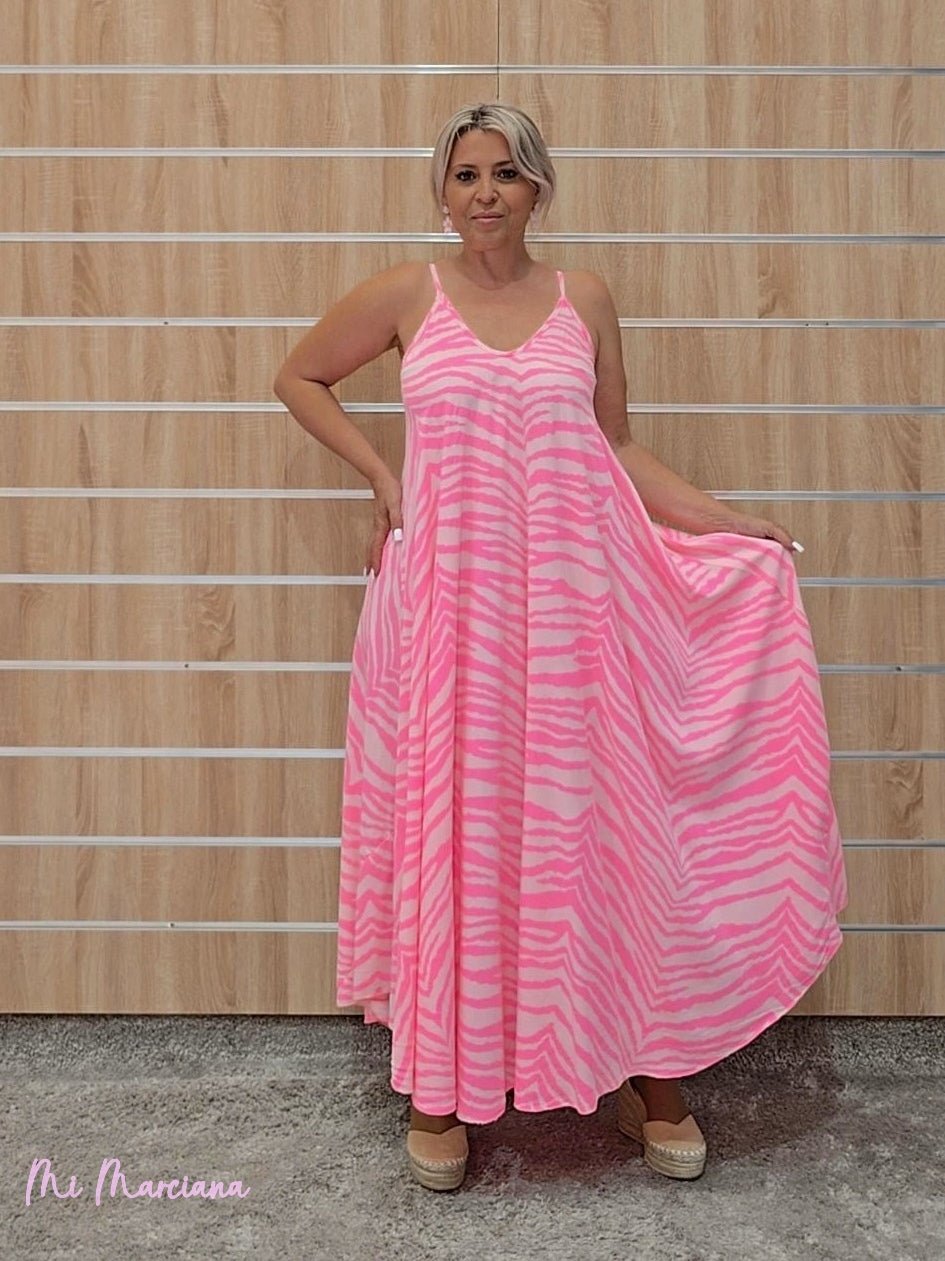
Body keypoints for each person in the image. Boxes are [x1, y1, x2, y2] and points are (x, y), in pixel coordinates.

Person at [273, 103, 848, 1191]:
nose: (484, 193)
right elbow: (299, 376)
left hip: (579, 613)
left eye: (505, 173)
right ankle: (441, 1085)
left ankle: (649, 1071)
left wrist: (727, 521)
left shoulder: (583, 298)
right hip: (448, 614)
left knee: (604, 830)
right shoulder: (406, 295)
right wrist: (386, 476)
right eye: (465, 175)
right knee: (458, 829)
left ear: (538, 187)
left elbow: (615, 444)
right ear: (442, 192)